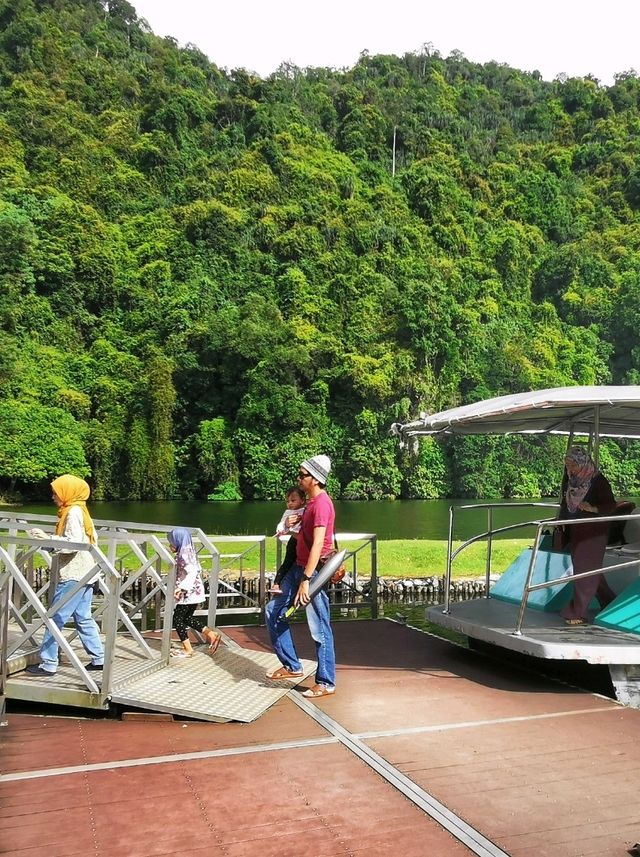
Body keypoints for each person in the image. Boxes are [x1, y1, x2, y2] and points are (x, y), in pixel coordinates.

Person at [265, 454, 337, 698]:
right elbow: (304, 538)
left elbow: (318, 544)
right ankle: (292, 665)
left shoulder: (322, 505)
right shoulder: (311, 505)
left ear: (315, 479)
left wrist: (307, 580)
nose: (299, 478)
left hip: (311, 573)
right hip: (298, 567)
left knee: (319, 627)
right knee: (273, 612)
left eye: (303, 474)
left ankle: (326, 682)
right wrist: (288, 529)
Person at [25, 474, 104, 676]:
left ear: (67, 492)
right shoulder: (80, 510)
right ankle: (99, 658)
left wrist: (48, 539)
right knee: (83, 617)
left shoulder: (73, 512)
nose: (53, 496)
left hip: (74, 574)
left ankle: (49, 663)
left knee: (54, 617)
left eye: (55, 492)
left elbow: (73, 543)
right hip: (87, 572)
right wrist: (50, 541)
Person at [558, 446, 617, 625]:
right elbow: (565, 502)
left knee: (585, 570)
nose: (570, 469)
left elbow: (611, 505)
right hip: (576, 530)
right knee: (588, 570)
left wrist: (593, 508)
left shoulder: (598, 481)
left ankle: (577, 612)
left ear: (582, 463)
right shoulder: (570, 479)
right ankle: (610, 602)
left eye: (573, 465)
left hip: (594, 532)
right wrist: (560, 523)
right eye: (568, 466)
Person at [168, 527, 221, 658]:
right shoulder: (189, 551)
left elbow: (192, 572)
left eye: (172, 542)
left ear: (178, 541)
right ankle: (211, 634)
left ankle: (188, 649)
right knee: (187, 618)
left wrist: (181, 587)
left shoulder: (184, 555)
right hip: (195, 591)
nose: (170, 545)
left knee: (177, 619)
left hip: (188, 593)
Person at [268, 486, 306, 594]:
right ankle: (276, 584)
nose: (290, 503)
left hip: (304, 543)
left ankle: (299, 585)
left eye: (293, 500)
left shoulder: (306, 510)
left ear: (302, 500)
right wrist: (285, 525)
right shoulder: (288, 513)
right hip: (294, 541)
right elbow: (281, 527)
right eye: (288, 501)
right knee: (287, 562)